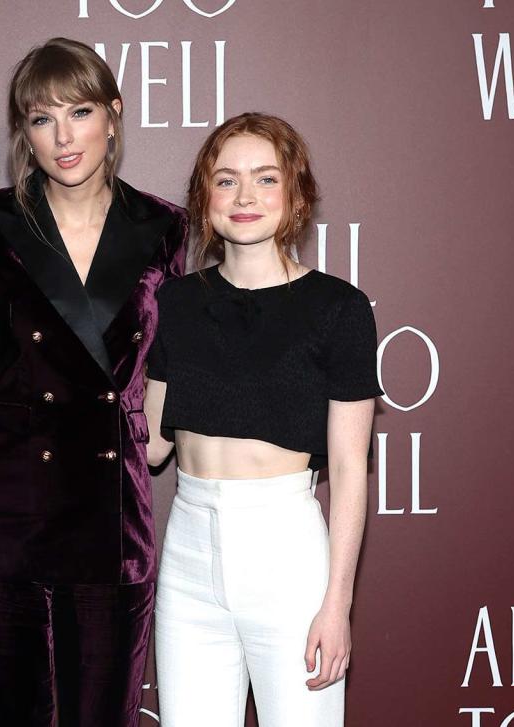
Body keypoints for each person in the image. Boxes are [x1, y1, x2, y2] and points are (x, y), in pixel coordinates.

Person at [0, 37, 188, 727]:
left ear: (113, 115)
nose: (62, 136)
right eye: (41, 118)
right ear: (23, 131)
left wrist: (153, 436)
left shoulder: (163, 227)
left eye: (79, 111)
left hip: (112, 514)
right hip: (10, 506)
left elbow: (172, 357)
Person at [145, 112, 381, 726]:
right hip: (189, 555)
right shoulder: (175, 302)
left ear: (296, 194)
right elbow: (148, 448)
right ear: (204, 198)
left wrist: (338, 604)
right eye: (226, 181)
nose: (244, 196)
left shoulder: (340, 309)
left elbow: (351, 469)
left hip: (289, 559)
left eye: (265, 179)